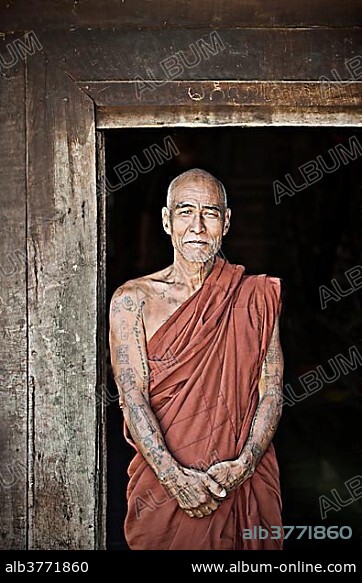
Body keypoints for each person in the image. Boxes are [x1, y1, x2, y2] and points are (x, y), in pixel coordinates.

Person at [109, 168, 284, 550]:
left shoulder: (254, 297)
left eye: (211, 213)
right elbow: (131, 394)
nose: (198, 226)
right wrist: (174, 479)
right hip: (163, 488)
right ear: (166, 220)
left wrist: (246, 463)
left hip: (237, 481)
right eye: (186, 211)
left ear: (227, 222)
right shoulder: (133, 299)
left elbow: (271, 391)